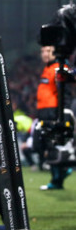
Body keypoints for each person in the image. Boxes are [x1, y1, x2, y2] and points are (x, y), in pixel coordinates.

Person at [34, 45, 73, 190]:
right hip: (43, 112)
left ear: (55, 52)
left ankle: (57, 179)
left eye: (48, 51)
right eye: (43, 51)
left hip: (53, 111)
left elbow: (65, 91)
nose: (44, 54)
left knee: (52, 146)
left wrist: (65, 111)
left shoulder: (58, 68)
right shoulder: (47, 68)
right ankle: (61, 172)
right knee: (42, 145)